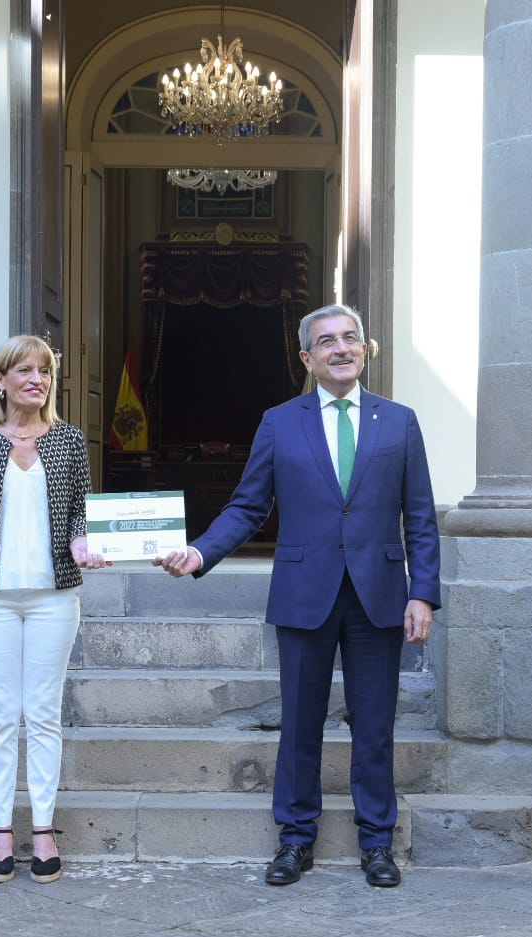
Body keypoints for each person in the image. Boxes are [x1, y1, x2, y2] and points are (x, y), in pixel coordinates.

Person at [155, 304, 440, 888]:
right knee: (300, 723)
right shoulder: (280, 421)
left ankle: (377, 843)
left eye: (351, 338)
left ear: (366, 349)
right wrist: (201, 552)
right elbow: (248, 504)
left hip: (379, 595)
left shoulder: (400, 421)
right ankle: (294, 840)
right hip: (305, 592)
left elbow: (421, 516)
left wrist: (424, 594)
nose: (342, 348)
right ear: (306, 358)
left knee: (376, 725)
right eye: (327, 341)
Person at [0, 335, 107, 885]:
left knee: (42, 715)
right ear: (1, 380)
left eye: (45, 371)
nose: (37, 379)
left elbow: (81, 510)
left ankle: (42, 829)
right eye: (24, 370)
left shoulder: (68, 442)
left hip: (53, 596)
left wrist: (84, 543)